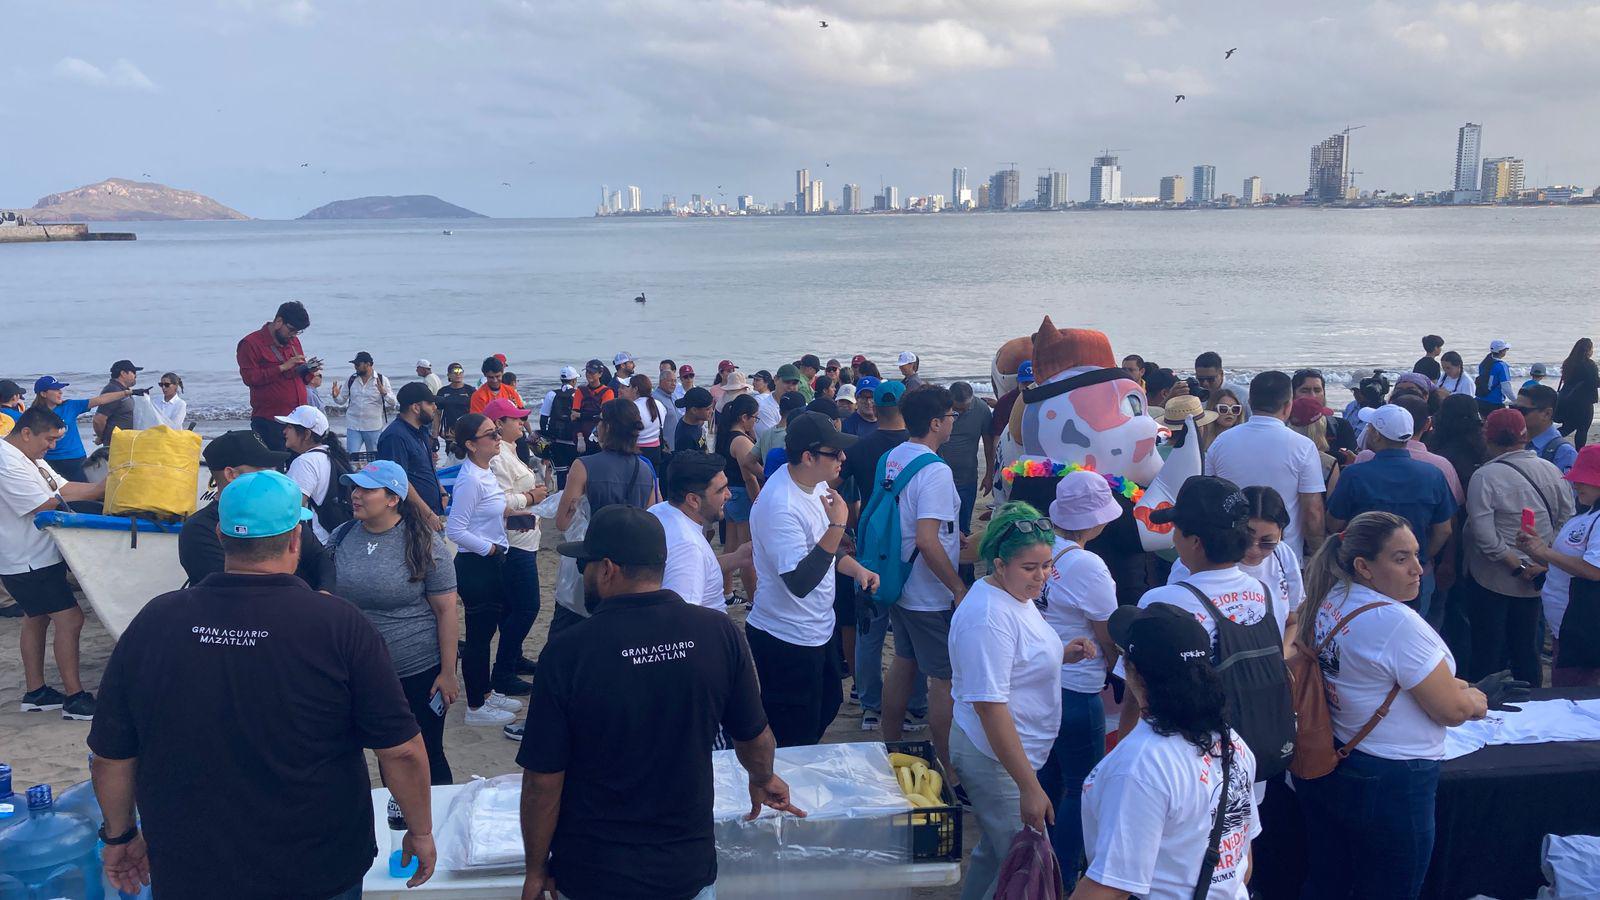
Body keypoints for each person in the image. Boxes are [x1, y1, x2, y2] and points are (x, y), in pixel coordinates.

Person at [88, 470, 436, 899]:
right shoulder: (338, 624)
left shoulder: (156, 619)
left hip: (192, 864)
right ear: (295, 538)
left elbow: (111, 754)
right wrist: (420, 830)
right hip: (316, 864)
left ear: (220, 536)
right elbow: (400, 749)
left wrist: (119, 837)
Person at [517, 505, 801, 900]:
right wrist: (762, 777)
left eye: (585, 563)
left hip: (595, 872)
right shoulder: (717, 632)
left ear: (607, 569)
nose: (582, 573)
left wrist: (535, 867)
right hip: (686, 868)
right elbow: (754, 736)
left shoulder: (569, 651)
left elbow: (542, 781)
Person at [1292, 511, 1490, 899]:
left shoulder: (1332, 596)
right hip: (1395, 777)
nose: (1418, 569)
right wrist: (1475, 700)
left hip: (1339, 758)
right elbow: (1451, 710)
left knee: (1330, 880)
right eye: (1401, 559)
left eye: (1417, 555)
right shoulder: (1396, 623)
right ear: (1364, 566)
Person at [947, 501, 1097, 900]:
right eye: (1030, 568)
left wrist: (1061, 653)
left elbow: (1015, 662)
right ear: (999, 565)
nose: (1042, 577)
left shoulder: (1015, 596)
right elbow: (990, 706)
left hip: (1015, 751)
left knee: (996, 855)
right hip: (995, 757)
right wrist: (1029, 786)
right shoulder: (988, 617)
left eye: (1047, 565)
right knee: (1022, 862)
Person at [1074, 602, 1260, 900]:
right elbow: (1242, 862)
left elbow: (1108, 888)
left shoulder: (1139, 767)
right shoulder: (1232, 742)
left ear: (1133, 672)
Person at [746, 412, 879, 746]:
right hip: (784, 635)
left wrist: (856, 568)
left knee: (830, 702)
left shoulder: (815, 483)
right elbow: (800, 582)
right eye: (835, 453)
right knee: (795, 734)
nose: (843, 459)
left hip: (818, 627)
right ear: (808, 457)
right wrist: (838, 525)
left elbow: (819, 548)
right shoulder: (780, 504)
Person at [326, 460, 459, 785]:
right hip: (356, 673)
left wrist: (447, 673)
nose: (355, 495)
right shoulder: (340, 537)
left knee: (425, 754)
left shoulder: (425, 544)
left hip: (415, 671)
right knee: (384, 753)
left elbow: (446, 612)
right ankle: (397, 818)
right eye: (354, 488)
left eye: (366, 489)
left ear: (392, 498)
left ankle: (435, 823)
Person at [1036, 472, 1121, 877]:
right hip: (1078, 687)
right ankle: (1063, 871)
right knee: (1081, 786)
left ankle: (1039, 858)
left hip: (1040, 681)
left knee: (1048, 779)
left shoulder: (1041, 549)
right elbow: (1106, 632)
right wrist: (1114, 669)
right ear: (1095, 520)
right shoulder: (1088, 565)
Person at [876, 387, 965, 769]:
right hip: (927, 592)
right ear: (935, 423)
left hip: (895, 577)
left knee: (903, 660)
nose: (952, 423)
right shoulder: (935, 470)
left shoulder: (891, 457)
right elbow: (928, 541)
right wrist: (958, 587)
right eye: (950, 417)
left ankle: (891, 746)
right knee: (943, 681)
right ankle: (948, 767)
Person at [1, 406, 104, 720]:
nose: (53, 446)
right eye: (49, 439)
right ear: (27, 432)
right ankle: (75, 698)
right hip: (26, 558)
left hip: (39, 554)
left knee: (36, 618)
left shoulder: (32, 457)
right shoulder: (6, 460)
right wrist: (102, 490)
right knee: (71, 620)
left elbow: (63, 488)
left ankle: (36, 692)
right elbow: (42, 504)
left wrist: (110, 487)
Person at [1464, 408, 1575, 685]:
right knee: (1526, 647)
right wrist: (1541, 560)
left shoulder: (1485, 476)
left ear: (1488, 439)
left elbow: (1484, 536)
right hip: (1537, 576)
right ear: (1524, 438)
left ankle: (1486, 710)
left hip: (1495, 577)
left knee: (1488, 649)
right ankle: (1532, 705)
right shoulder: (1550, 470)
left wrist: (1518, 566)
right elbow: (1567, 519)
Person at [1327, 405, 1456, 615]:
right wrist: (1419, 555)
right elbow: (1444, 530)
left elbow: (1334, 523)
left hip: (1366, 573)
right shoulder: (1432, 474)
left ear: (1376, 435)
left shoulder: (1355, 475)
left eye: (1369, 427)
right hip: (1414, 572)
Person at [179, 430, 326, 591]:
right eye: (262, 468)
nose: (272, 473)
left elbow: (321, 560)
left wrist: (324, 593)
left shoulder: (280, 509)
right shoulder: (198, 529)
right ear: (231, 474)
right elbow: (232, 588)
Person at [446, 413, 521, 726]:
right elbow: (455, 529)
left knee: (489, 629)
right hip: (477, 564)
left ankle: (487, 692)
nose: (497, 437)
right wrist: (489, 548)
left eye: (497, 431)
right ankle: (476, 705)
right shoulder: (470, 480)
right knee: (479, 636)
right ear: (470, 445)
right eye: (490, 434)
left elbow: (489, 511)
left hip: (492, 559)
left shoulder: (485, 470)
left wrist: (518, 513)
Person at [1205, 371, 1326, 559]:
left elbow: (1211, 498)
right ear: (1288, 406)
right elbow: (1312, 510)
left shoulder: (1221, 442)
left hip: (1231, 553)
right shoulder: (1302, 446)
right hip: (1282, 554)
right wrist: (1319, 554)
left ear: (1250, 403)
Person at [1518, 445, 1600, 686]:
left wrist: (1543, 552)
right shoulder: (1587, 514)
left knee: (1575, 702)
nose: (1577, 485)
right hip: (1568, 629)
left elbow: (1594, 571)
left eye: (1584, 480)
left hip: (1583, 632)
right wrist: (1538, 554)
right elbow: (1572, 563)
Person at [484, 398, 549, 699]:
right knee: (526, 606)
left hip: (522, 537)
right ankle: (504, 671)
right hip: (513, 543)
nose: (522, 423)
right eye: (516, 419)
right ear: (499, 424)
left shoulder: (508, 450)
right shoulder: (497, 458)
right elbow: (498, 503)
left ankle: (513, 658)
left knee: (513, 606)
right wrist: (532, 497)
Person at [651, 451, 753, 611]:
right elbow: (682, 616)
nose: (729, 495)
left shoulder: (660, 511)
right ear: (693, 500)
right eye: (721, 490)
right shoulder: (689, 548)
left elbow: (699, 568)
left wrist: (737, 558)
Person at [237, 299, 314, 452]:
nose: (293, 335)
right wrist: (282, 367)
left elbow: (299, 377)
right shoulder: (250, 343)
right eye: (291, 330)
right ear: (279, 321)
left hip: (298, 418)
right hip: (270, 421)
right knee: (274, 471)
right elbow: (250, 378)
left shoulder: (294, 341)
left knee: (299, 467)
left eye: (298, 332)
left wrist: (309, 370)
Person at [28, 375, 137, 482]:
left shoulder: (70, 406)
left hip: (75, 459)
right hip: (49, 461)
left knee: (87, 493)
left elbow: (100, 400)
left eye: (60, 389)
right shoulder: (33, 414)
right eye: (55, 390)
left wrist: (126, 393)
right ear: (43, 394)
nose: (60, 392)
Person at [276, 404, 353, 543]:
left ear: (306, 434)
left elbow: (290, 509)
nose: (284, 431)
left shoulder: (305, 462)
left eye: (290, 427)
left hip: (318, 542)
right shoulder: (330, 453)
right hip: (336, 538)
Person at [714, 393, 761, 605]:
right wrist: (759, 500)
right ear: (744, 417)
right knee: (748, 552)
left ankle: (727, 592)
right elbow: (749, 476)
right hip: (742, 494)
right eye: (755, 418)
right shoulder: (741, 441)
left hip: (729, 493)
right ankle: (753, 600)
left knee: (731, 546)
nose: (755, 422)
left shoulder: (724, 436)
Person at [378, 382, 445, 526]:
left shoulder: (421, 430)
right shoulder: (395, 437)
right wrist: (427, 514)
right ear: (415, 407)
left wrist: (442, 493)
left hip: (432, 510)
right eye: (430, 403)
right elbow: (398, 481)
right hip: (413, 517)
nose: (435, 407)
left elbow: (427, 467)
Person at [940, 381, 996, 536]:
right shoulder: (939, 409)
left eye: (965, 409)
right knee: (943, 526)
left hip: (968, 478)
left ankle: (963, 559)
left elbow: (989, 444)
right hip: (941, 478)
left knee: (964, 526)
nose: (960, 413)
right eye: (956, 410)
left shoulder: (982, 409)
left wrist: (989, 474)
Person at [330, 351, 395, 455]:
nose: (355, 367)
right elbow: (341, 401)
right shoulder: (352, 379)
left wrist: (384, 393)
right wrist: (336, 396)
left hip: (373, 427)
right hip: (353, 425)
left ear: (368, 364)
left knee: (374, 458)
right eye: (354, 365)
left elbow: (393, 402)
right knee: (352, 456)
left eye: (357, 364)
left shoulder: (382, 380)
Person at [1291, 368, 1357, 459]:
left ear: (1324, 393)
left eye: (1317, 390)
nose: (1312, 396)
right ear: (1293, 394)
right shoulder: (1282, 427)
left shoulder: (1341, 427)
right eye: (1305, 391)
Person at [1518, 383, 1578, 474]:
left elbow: (1568, 488)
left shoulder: (1564, 453)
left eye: (1522, 410)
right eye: (1513, 408)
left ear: (1547, 414)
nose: (1516, 414)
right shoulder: (1514, 442)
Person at [1557, 338, 1598, 448]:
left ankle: (1546, 440)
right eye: (1591, 348)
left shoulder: (1569, 362)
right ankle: (1579, 454)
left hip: (1568, 400)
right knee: (1582, 429)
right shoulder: (1589, 364)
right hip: (1584, 402)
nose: (1592, 351)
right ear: (1588, 350)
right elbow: (1594, 383)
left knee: (1567, 427)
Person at [90, 359, 142, 447]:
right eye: (133, 372)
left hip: (125, 441)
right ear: (123, 373)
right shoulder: (113, 390)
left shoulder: (122, 389)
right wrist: (102, 437)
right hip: (116, 445)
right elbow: (98, 420)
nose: (135, 375)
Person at [624, 374, 666, 473]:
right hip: (656, 450)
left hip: (637, 451)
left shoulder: (633, 407)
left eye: (629, 387)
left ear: (635, 389)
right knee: (654, 481)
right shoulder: (659, 404)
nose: (628, 389)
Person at [573, 361, 616, 451]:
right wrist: (580, 437)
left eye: (592, 372)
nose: (589, 375)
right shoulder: (580, 390)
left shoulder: (607, 392)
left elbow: (603, 415)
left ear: (600, 374)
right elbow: (574, 416)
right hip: (582, 434)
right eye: (587, 372)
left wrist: (582, 415)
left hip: (599, 434)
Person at [1476, 339, 1516, 414]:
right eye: (1505, 349)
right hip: (1494, 403)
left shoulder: (1483, 363)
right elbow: (1506, 388)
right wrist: (1515, 401)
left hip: (1479, 400)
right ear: (1501, 351)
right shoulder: (1502, 366)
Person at [435, 362, 474, 435]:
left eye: (460, 372)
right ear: (449, 375)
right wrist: (435, 434)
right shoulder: (443, 391)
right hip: (450, 431)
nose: (458, 374)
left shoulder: (470, 390)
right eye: (455, 372)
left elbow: (476, 412)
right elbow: (438, 414)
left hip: (467, 429)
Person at [673, 387, 714, 455]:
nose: (712, 411)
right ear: (694, 410)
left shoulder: (696, 422)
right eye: (708, 409)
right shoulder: (686, 438)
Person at [653, 367, 683, 453]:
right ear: (661, 382)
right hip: (666, 448)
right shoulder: (656, 399)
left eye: (675, 381)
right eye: (670, 381)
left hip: (675, 445)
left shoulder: (672, 396)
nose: (673, 384)